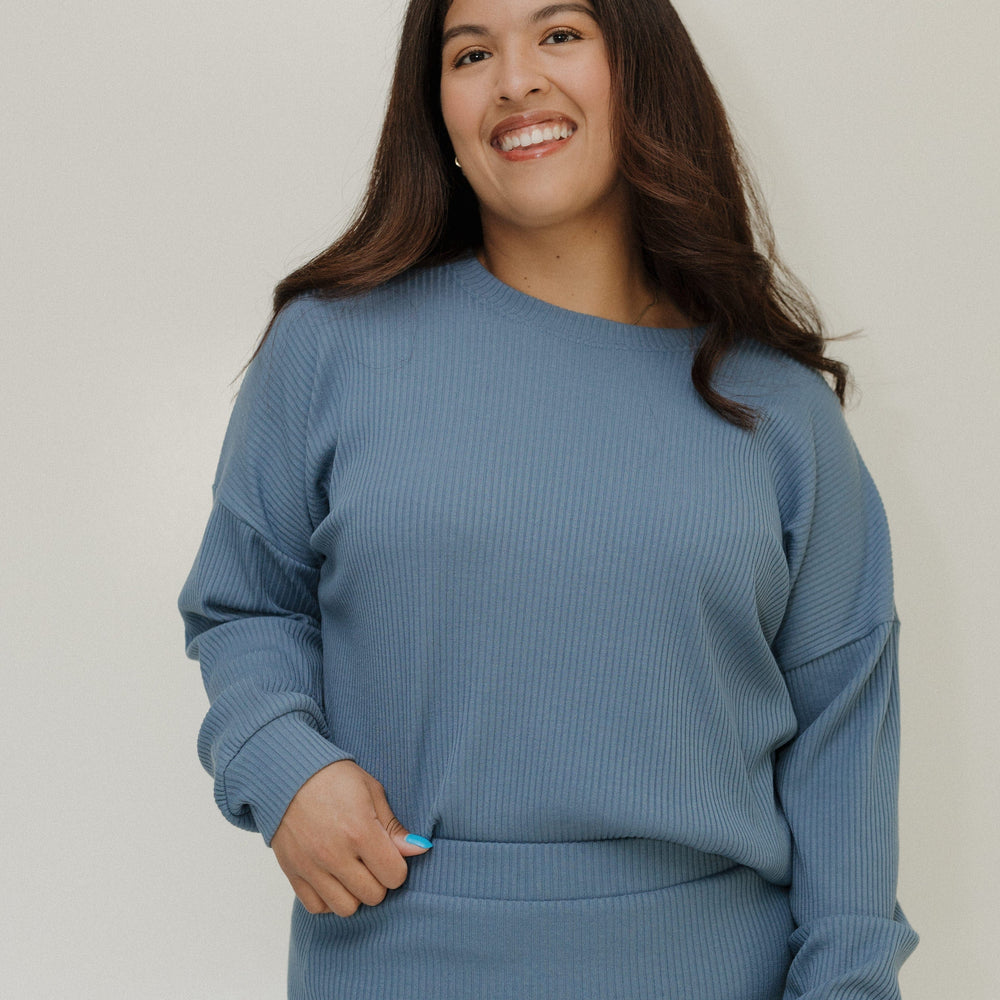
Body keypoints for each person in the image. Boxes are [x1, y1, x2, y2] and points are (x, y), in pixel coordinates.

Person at [179, 0, 919, 996]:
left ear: (640, 67)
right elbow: (245, 603)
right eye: (470, 53)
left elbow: (844, 742)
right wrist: (282, 763)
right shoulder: (331, 348)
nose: (515, 79)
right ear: (436, 108)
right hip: (397, 958)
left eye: (559, 34)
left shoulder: (777, 408)